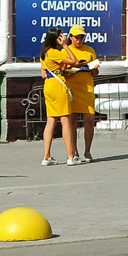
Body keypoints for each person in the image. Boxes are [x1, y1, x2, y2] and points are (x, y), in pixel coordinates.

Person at [39, 27, 81, 166]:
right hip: (58, 87)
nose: (63, 37)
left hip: (48, 85)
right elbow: (74, 61)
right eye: (60, 36)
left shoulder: (44, 53)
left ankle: (47, 156)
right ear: (55, 39)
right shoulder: (54, 52)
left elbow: (44, 74)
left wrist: (60, 69)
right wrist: (65, 46)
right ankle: (71, 156)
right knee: (65, 120)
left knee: (51, 120)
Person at [66, 23, 100, 162]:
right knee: (72, 120)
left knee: (89, 118)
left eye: (81, 37)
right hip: (72, 89)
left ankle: (88, 151)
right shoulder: (65, 51)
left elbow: (95, 73)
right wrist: (75, 67)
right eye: (76, 37)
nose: (79, 40)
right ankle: (74, 151)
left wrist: (94, 67)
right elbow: (63, 72)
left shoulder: (89, 50)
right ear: (71, 37)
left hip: (87, 89)